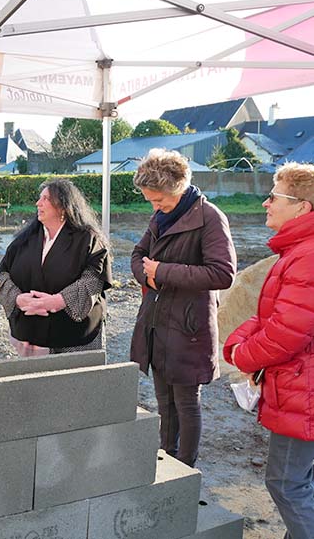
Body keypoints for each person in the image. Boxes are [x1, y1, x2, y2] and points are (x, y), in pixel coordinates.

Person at [224, 162, 314, 539]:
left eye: (275, 196)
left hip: (303, 392)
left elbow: (286, 334)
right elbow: (279, 318)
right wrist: (245, 335)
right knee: (301, 484)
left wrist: (242, 354)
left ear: (302, 208)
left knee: (286, 484)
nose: (265, 203)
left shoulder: (306, 256)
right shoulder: (298, 252)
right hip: (300, 387)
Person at [130, 148, 236, 467]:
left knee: (186, 403)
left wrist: (161, 271)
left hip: (188, 328)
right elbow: (138, 255)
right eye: (151, 201)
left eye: (158, 199)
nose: (155, 206)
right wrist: (147, 277)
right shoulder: (161, 216)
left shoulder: (210, 218)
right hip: (157, 322)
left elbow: (223, 273)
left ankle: (186, 467)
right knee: (164, 401)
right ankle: (166, 457)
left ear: (177, 188)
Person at [0, 179, 112, 356]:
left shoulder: (88, 239)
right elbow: (4, 273)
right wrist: (18, 299)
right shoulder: (25, 239)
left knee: (72, 382)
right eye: (39, 198)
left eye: (46, 199)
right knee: (35, 381)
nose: (38, 203)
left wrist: (57, 301)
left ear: (64, 206)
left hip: (73, 334)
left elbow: (93, 279)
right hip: (30, 331)